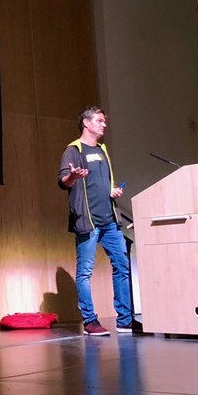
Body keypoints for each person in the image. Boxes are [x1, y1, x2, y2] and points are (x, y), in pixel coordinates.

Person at [57, 106, 135, 337]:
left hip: (110, 221)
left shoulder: (102, 149)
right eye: (99, 121)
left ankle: (125, 320)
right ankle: (90, 321)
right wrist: (72, 176)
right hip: (88, 222)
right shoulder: (74, 150)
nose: (104, 125)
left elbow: (100, 182)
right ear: (86, 123)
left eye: (104, 121)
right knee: (85, 273)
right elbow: (63, 181)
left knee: (122, 267)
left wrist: (111, 191)